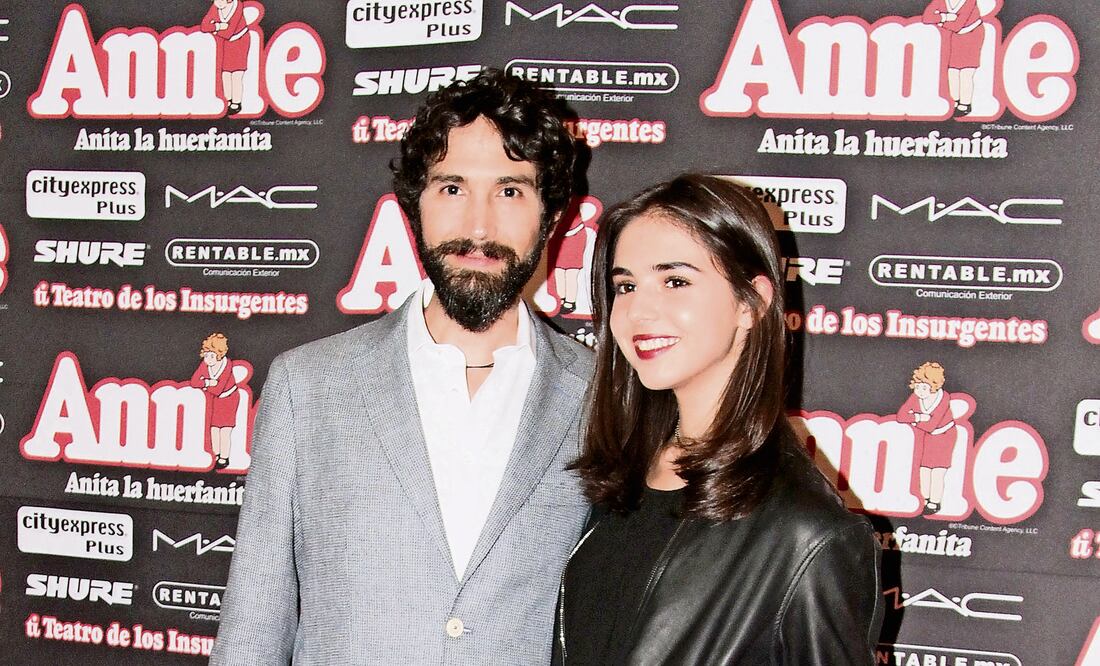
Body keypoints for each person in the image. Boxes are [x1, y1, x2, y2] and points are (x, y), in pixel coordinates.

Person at [210, 69, 592, 664]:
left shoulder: (599, 395)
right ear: (414, 207)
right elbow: (252, 632)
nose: (479, 227)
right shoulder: (308, 387)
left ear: (552, 215)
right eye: (453, 188)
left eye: (510, 191)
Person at [557, 174, 883, 664]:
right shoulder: (620, 481)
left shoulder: (807, 537)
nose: (638, 311)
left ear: (752, 302)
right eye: (625, 286)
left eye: (675, 281)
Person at [896, 361, 957, 514]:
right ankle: (924, 499)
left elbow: (931, 425)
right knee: (924, 469)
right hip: (927, 438)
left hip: (945, 436)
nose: (920, 391)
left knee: (938, 471)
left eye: (924, 387)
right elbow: (901, 416)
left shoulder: (944, 398)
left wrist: (915, 421)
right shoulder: (915, 397)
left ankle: (935, 502)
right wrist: (919, 417)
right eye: (917, 387)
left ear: (934, 385)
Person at [190, 332, 239, 470]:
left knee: (225, 429)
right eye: (206, 355)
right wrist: (208, 382)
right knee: (214, 429)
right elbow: (194, 382)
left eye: (212, 355)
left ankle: (224, 457)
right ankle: (216, 455)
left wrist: (206, 385)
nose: (208, 359)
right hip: (214, 400)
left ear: (219, 354)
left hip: (229, 398)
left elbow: (218, 389)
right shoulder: (205, 365)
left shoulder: (227, 365)